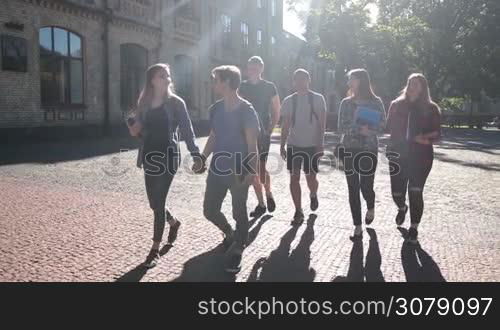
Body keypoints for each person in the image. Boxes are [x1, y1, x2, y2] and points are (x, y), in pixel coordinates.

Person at [126, 63, 203, 269]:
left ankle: (154, 249)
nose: (168, 79)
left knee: (158, 203)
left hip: (169, 156)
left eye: (168, 75)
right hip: (149, 155)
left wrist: (196, 155)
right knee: (154, 203)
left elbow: (187, 130)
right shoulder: (144, 103)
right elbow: (139, 132)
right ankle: (174, 222)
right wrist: (134, 128)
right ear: (152, 80)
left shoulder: (176, 103)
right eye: (162, 76)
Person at [194, 65, 260, 273]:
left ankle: (237, 250)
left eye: (216, 80)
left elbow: (252, 145)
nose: (213, 83)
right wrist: (203, 158)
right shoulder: (215, 108)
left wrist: (251, 170)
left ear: (227, 82)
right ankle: (230, 234)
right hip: (217, 169)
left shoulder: (247, 110)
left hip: (239, 169)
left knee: (239, 212)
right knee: (209, 210)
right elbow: (214, 136)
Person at [386, 73, 441, 244]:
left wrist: (424, 138)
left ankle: (414, 228)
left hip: (421, 157)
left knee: (415, 191)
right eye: (410, 83)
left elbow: (437, 133)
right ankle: (402, 207)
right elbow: (387, 127)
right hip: (398, 154)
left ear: (423, 87)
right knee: (397, 193)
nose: (412, 86)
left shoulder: (431, 108)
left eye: (416, 84)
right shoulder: (396, 105)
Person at [337, 69, 386, 240]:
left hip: (368, 149)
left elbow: (383, 125)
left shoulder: (376, 102)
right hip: (350, 149)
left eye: (351, 79)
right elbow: (340, 127)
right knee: (352, 188)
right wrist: (358, 129)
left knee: (366, 185)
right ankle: (357, 226)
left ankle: (371, 206)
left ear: (361, 81)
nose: (349, 82)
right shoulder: (345, 103)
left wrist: (370, 131)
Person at [280, 69, 327, 226]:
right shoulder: (288, 100)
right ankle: (298, 211)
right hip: (294, 145)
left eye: (303, 79)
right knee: (294, 178)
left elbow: (322, 124)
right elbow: (285, 125)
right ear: (294, 81)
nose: (300, 82)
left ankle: (313, 194)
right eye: (297, 79)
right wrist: (282, 144)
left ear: (309, 80)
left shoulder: (318, 99)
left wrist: (320, 144)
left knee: (311, 177)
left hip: (312, 145)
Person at [238, 56, 281, 218]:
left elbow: (277, 109)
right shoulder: (241, 86)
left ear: (261, 68)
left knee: (261, 169)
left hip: (262, 133)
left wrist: (270, 129)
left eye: (256, 67)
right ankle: (261, 203)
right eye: (251, 67)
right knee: (251, 169)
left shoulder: (269, 87)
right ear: (247, 68)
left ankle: (268, 193)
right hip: (245, 134)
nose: (253, 70)